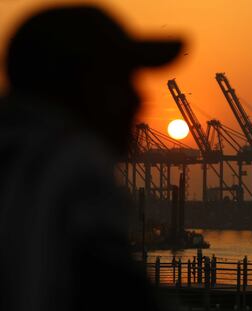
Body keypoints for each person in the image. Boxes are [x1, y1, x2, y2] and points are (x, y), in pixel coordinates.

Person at [0, 4, 182, 311]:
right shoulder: (71, 167)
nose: (139, 97)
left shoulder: (16, 156)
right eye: (122, 80)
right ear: (81, 85)